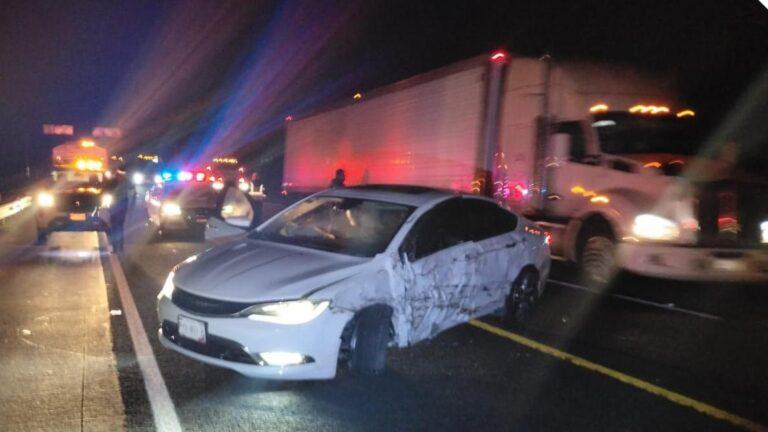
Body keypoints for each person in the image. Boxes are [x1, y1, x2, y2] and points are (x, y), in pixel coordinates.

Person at [108, 164, 130, 253]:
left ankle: (116, 247)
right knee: (119, 226)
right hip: (121, 203)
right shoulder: (126, 180)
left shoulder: (115, 179)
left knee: (115, 226)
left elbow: (108, 190)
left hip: (116, 204)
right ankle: (119, 247)